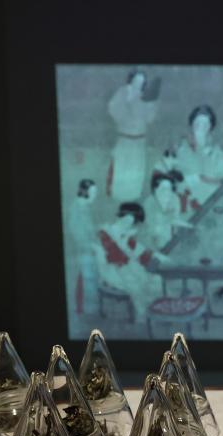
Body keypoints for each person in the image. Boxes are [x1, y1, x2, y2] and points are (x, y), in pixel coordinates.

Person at [96, 202, 163, 321]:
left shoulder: (125, 235)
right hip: (111, 270)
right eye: (127, 221)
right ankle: (143, 314)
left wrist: (155, 256)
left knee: (156, 280)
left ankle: (157, 312)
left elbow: (139, 251)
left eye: (132, 223)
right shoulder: (105, 233)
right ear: (121, 216)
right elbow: (114, 257)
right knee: (136, 284)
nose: (129, 225)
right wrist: (125, 245)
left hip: (127, 268)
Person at [107, 69, 159, 202]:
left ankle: (134, 194)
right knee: (122, 167)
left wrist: (150, 104)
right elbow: (113, 110)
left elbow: (150, 119)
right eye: (136, 80)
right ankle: (119, 195)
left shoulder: (145, 96)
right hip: (125, 138)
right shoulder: (122, 92)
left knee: (136, 169)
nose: (139, 84)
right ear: (131, 80)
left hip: (139, 140)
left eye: (142, 81)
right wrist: (128, 102)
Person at [172, 105, 223, 210]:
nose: (201, 127)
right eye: (197, 123)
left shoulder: (217, 153)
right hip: (187, 204)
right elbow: (177, 178)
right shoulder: (181, 150)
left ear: (210, 127)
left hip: (211, 205)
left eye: (205, 124)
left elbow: (221, 179)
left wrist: (201, 178)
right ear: (192, 125)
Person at [67, 179, 98, 315]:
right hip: (83, 249)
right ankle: (87, 310)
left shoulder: (85, 206)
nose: (95, 195)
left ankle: (84, 308)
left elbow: (89, 228)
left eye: (96, 192)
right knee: (87, 279)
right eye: (93, 192)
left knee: (86, 278)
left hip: (88, 247)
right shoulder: (77, 208)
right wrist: (90, 245)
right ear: (84, 191)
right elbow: (76, 231)